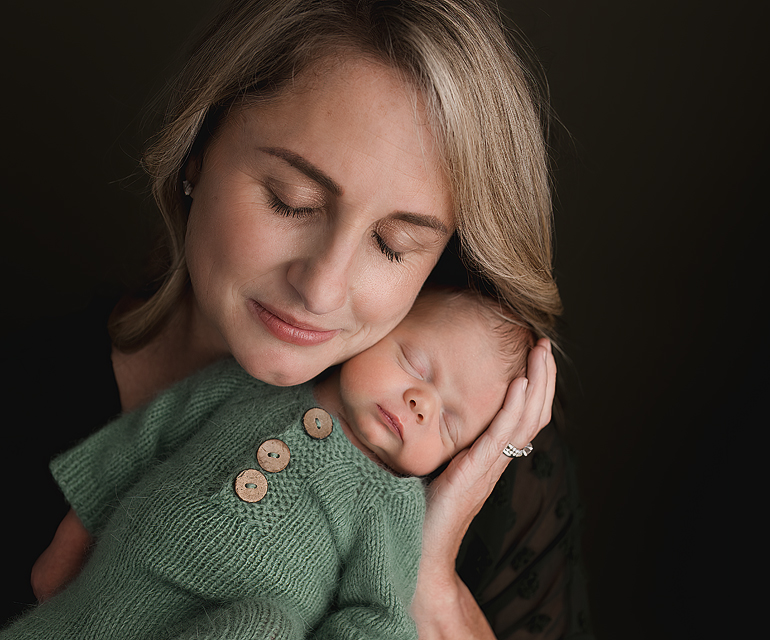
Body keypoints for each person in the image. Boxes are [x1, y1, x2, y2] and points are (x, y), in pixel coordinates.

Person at [9, 1, 592, 638]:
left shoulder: (494, 465)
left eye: (393, 244)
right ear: (198, 151)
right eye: (293, 202)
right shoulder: (31, 396)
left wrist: (428, 578)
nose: (320, 288)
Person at [1, 288, 537, 639]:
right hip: (101, 601)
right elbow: (142, 440)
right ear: (373, 331)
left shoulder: (390, 507)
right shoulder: (253, 380)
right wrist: (71, 539)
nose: (423, 404)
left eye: (449, 424)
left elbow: (376, 619)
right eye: (416, 363)